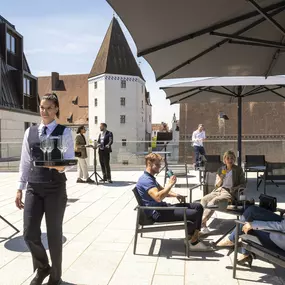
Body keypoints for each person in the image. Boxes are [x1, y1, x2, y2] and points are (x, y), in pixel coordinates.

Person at [15, 93, 74, 285]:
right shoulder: (30, 132)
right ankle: (43, 267)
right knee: (29, 233)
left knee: (54, 234)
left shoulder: (64, 132)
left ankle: (55, 277)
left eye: (49, 107)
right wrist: (19, 188)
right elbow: (25, 161)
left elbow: (70, 159)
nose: (45, 111)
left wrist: (60, 166)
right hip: (33, 187)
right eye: (42, 107)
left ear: (56, 109)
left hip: (55, 188)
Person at [136, 153, 212, 251]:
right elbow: (158, 197)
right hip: (158, 213)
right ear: (149, 164)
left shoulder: (150, 178)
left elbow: (162, 190)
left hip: (163, 208)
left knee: (198, 207)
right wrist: (170, 184)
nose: (160, 167)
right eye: (158, 164)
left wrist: (176, 195)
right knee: (194, 214)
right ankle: (193, 242)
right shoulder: (146, 180)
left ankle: (191, 238)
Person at [217, 205, 285, 266]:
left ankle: (232, 241)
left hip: (279, 237)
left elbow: (282, 226)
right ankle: (244, 252)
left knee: (250, 214)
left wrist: (253, 225)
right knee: (248, 210)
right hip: (281, 228)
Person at [200, 150, 246, 235]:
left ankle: (199, 222)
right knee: (204, 199)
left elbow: (243, 184)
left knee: (214, 201)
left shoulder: (238, 169)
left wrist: (235, 188)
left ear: (234, 159)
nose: (230, 160)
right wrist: (221, 178)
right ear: (224, 160)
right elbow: (216, 185)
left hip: (229, 192)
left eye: (232, 158)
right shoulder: (221, 169)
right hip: (219, 190)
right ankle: (204, 225)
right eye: (227, 158)